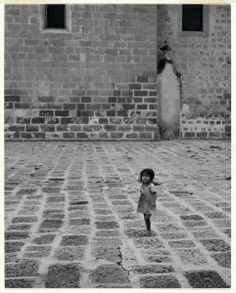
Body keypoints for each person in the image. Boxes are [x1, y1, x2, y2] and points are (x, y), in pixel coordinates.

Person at [137, 168, 159, 235]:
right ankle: (148, 229)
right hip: (143, 203)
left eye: (147, 176)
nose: (145, 178)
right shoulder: (143, 184)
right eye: (143, 176)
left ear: (151, 177)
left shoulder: (151, 186)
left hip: (149, 204)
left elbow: (155, 194)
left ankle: (149, 230)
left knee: (147, 217)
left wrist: (153, 202)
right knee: (145, 217)